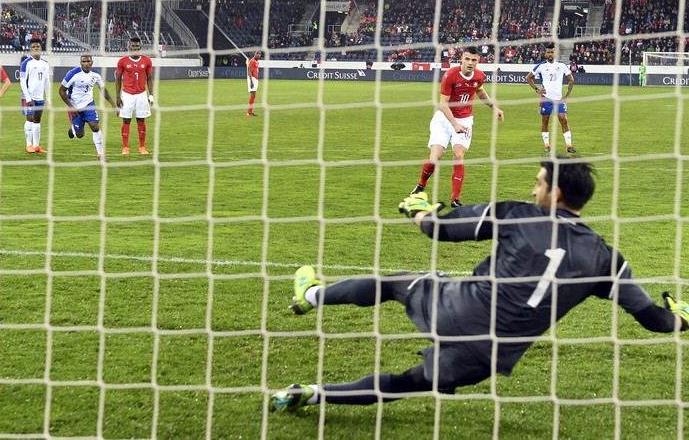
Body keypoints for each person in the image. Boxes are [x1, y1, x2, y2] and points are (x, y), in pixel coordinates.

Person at [271, 159, 689, 413]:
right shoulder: (608, 260)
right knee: (410, 382)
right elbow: (654, 320)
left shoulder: (518, 214)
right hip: (494, 351)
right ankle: (310, 394)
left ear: (555, 192)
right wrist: (681, 317)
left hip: (460, 308)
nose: (532, 188)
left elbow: (438, 229)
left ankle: (310, 294)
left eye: (539, 182)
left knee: (396, 283)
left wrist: (416, 209)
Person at [410, 46, 504, 207]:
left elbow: (480, 92)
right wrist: (454, 124)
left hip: (465, 120)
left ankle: (455, 199)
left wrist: (494, 107)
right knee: (435, 157)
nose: (470, 62)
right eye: (467, 59)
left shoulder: (479, 76)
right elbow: (443, 104)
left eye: (473, 60)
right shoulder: (450, 75)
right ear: (461, 59)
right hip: (444, 119)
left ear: (478, 61)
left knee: (458, 154)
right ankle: (421, 184)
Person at [60, 54, 119, 159]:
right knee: (80, 135)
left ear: (92, 62)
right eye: (84, 62)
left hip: (89, 104)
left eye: (88, 61)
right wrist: (71, 107)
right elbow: (61, 91)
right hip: (75, 107)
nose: (86, 64)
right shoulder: (73, 74)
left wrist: (113, 104)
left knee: (95, 127)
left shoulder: (96, 74)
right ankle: (73, 129)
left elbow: (103, 89)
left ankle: (100, 154)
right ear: (80, 63)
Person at [526, 43, 576, 154]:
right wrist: (537, 89)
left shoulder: (562, 65)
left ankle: (569, 145)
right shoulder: (541, 66)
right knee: (545, 121)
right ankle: (547, 145)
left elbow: (571, 80)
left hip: (559, 99)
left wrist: (567, 96)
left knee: (563, 120)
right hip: (546, 98)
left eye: (552, 52)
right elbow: (528, 78)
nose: (550, 54)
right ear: (545, 53)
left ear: (555, 53)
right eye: (548, 52)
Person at [115, 36, 154, 155]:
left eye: (137, 45)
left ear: (140, 46)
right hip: (127, 94)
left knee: (141, 120)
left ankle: (142, 147)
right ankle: (125, 147)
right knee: (126, 120)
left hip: (141, 94)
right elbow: (118, 79)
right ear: (129, 46)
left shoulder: (147, 61)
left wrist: (151, 95)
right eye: (133, 45)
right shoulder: (123, 61)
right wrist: (118, 96)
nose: (135, 47)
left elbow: (150, 79)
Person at [20, 39, 51, 154]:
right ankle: (28, 144)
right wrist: (28, 97)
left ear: (41, 48)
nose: (36, 48)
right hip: (28, 97)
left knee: (37, 120)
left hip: (39, 97)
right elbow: (22, 81)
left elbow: (47, 82)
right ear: (30, 49)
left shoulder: (45, 64)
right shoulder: (26, 63)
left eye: (38, 46)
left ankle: (36, 145)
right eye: (33, 47)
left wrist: (48, 99)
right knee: (30, 119)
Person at [247, 50, 261, 117]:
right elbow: (249, 72)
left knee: (254, 95)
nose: (259, 55)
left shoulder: (257, 62)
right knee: (253, 94)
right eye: (257, 53)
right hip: (252, 78)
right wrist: (251, 82)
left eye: (260, 54)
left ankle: (250, 112)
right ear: (254, 54)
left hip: (255, 78)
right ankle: (249, 113)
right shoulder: (252, 61)